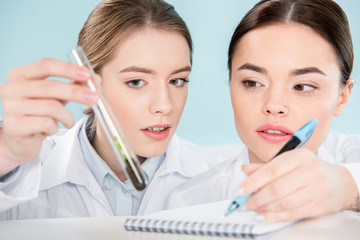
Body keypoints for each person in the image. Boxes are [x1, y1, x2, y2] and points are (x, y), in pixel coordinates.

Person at [0, 0, 229, 219]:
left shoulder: (219, 179)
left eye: (177, 81)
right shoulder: (19, 169)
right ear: (89, 84)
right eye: (136, 82)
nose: (165, 105)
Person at [167, 0, 360, 222]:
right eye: (252, 83)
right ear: (231, 83)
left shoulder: (352, 157)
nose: (274, 105)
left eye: (302, 86)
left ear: (342, 98)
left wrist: (347, 191)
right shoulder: (187, 202)